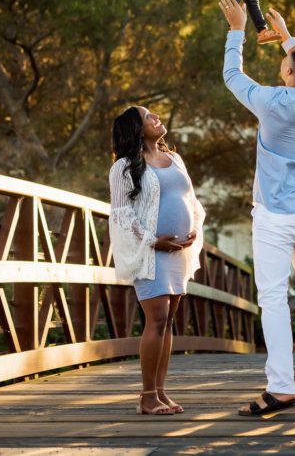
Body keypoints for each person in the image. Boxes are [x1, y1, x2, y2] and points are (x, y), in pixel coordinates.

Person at [217, 0, 295, 416]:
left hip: (273, 216)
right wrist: (287, 39)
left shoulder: (271, 101)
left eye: (285, 63)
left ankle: (281, 389)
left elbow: (232, 74)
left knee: (272, 298)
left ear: (288, 70)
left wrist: (237, 29)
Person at [108, 106, 205, 416]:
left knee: (168, 319)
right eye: (147, 116)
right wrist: (153, 241)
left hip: (177, 251)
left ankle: (160, 391)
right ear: (136, 129)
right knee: (158, 318)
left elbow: (191, 201)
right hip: (149, 252)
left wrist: (192, 232)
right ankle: (147, 396)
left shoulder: (175, 159)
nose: (156, 117)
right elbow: (122, 215)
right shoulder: (124, 167)